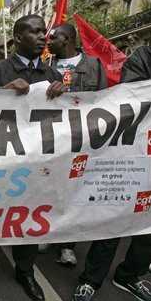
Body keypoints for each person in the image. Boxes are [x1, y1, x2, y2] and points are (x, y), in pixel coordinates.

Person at [71, 9, 151, 301]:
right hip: (142, 153)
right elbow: (134, 95)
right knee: (117, 217)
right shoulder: (146, 57)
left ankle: (131, 275)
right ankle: (91, 279)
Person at [0, 14, 65, 301]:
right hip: (0, 162)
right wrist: (1, 95)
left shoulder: (53, 76)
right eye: (35, 31)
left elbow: (64, 123)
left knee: (29, 217)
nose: (43, 36)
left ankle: (25, 271)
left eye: (44, 31)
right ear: (16, 38)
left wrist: (64, 95)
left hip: (37, 165)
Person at [46, 23, 107, 267]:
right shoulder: (46, 67)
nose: (48, 41)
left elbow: (104, 101)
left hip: (81, 142)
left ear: (68, 39)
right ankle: (47, 233)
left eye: (54, 37)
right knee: (51, 189)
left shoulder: (93, 66)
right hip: (51, 141)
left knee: (75, 192)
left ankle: (67, 244)